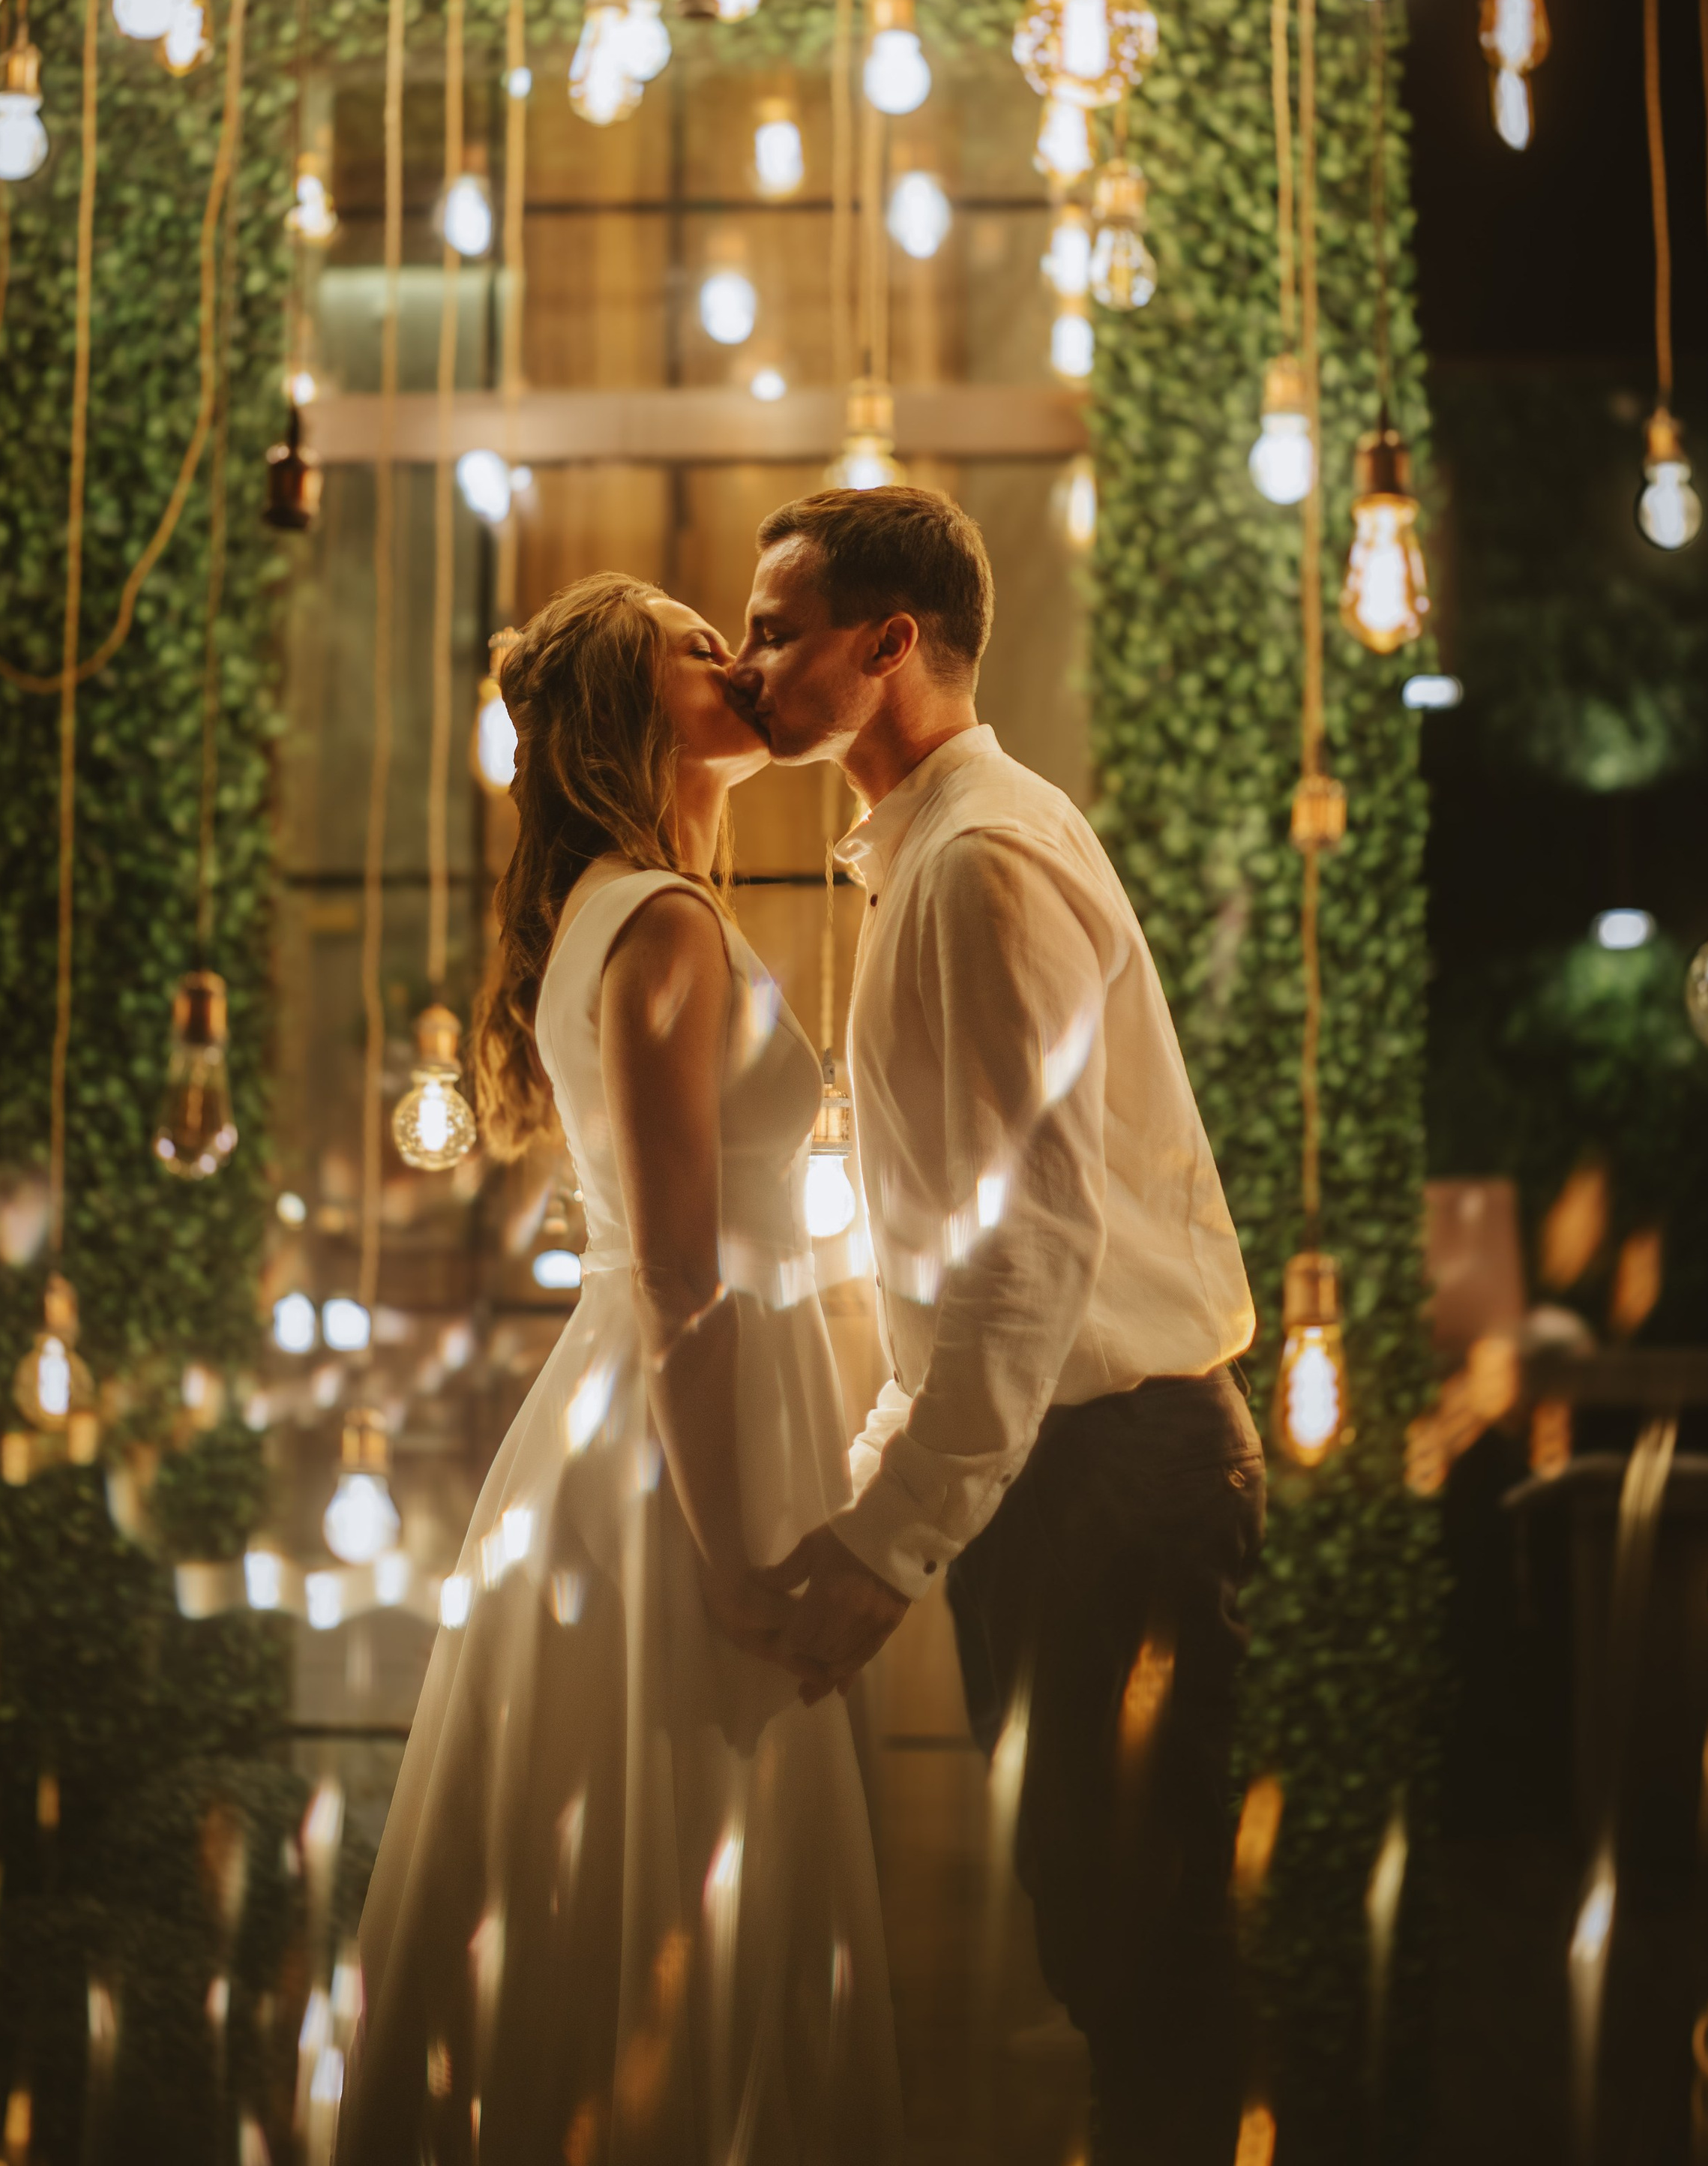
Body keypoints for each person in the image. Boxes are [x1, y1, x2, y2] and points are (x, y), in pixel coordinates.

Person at [730, 487, 1264, 2166]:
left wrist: (890, 1542)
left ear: (887, 647)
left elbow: (1028, 1251)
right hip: (1076, 1471)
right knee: (1106, 1949)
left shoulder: (975, 862)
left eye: (773, 630)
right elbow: (960, 1264)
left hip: (1120, 1474)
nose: (749, 665)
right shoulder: (942, 851)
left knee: (1145, 1970)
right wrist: (884, 1480)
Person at [337, 574, 900, 2166]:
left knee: (665, 1859)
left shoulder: (633, 905)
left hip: (673, 1413)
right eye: (695, 646)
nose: (733, 659)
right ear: (629, 714)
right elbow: (674, 1272)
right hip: (675, 1449)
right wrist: (731, 1564)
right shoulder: (658, 923)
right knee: (681, 1850)